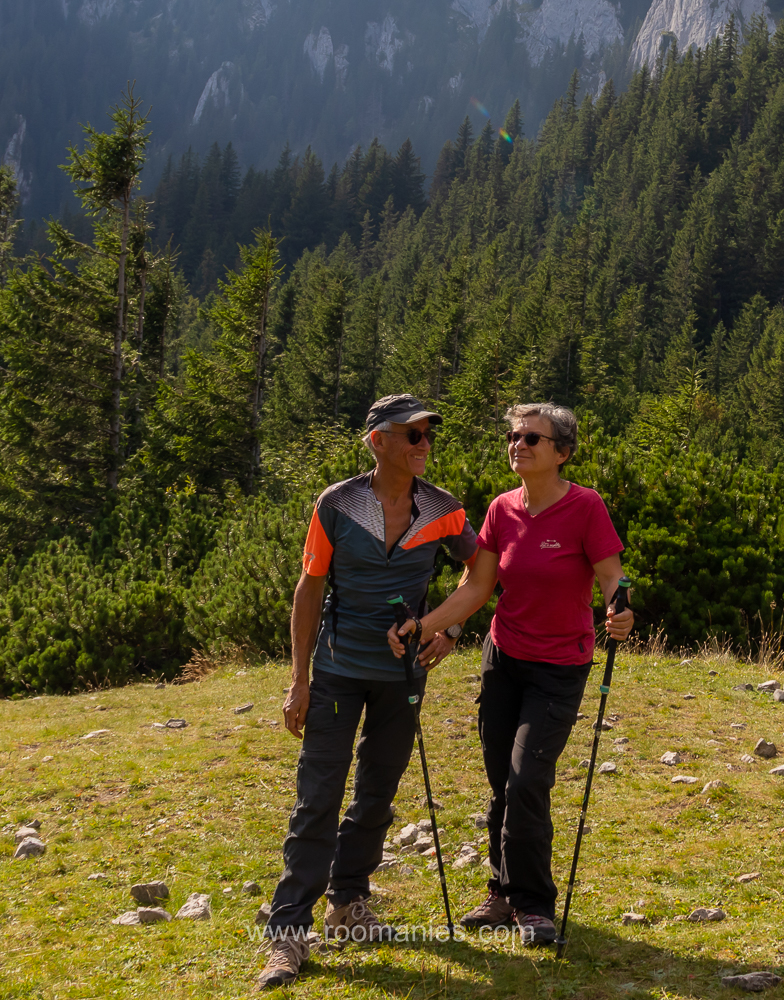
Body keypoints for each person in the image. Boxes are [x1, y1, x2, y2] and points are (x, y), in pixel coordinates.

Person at [388, 402, 634, 945]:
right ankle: (501, 893)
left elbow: (611, 577)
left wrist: (620, 611)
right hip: (503, 659)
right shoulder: (502, 509)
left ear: (561, 453)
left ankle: (534, 905)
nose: (518, 445)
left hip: (561, 666)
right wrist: (437, 629)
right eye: (515, 436)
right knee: (502, 781)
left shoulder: (585, 508)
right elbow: (478, 586)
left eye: (532, 439)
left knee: (527, 781)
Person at [257, 394, 478, 989]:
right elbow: (310, 587)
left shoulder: (445, 510)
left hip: (403, 677)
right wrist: (298, 679)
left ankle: (349, 904)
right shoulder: (336, 503)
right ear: (377, 440)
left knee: (377, 793)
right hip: (334, 668)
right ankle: (287, 934)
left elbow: (482, 572)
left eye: (428, 433)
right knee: (318, 796)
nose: (424, 444)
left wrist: (449, 627)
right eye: (412, 434)